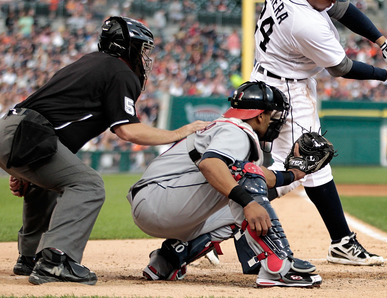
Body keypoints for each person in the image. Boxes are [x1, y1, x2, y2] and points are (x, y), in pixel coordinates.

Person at [0, 16, 209, 285]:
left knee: (48, 185)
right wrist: (180, 132)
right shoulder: (121, 72)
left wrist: (21, 166)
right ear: (127, 47)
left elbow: (47, 108)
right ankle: (56, 260)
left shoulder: (89, 62)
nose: (146, 56)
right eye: (143, 48)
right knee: (89, 185)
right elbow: (127, 130)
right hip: (28, 134)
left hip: (15, 128)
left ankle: (29, 258)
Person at [251, 0, 387, 266]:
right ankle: (226, 217)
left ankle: (342, 241)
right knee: (302, 168)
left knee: (311, 167)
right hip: (286, 90)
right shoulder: (307, 23)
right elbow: (341, 68)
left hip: (267, 75)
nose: (331, 2)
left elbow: (341, 8)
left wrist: (383, 43)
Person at [127, 81, 322, 287]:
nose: (274, 121)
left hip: (159, 202)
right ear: (260, 115)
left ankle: (170, 258)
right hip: (161, 199)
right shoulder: (236, 131)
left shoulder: (227, 127)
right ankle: (278, 265)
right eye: (273, 115)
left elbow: (263, 176)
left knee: (235, 209)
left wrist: (294, 174)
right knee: (243, 190)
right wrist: (248, 203)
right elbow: (212, 165)